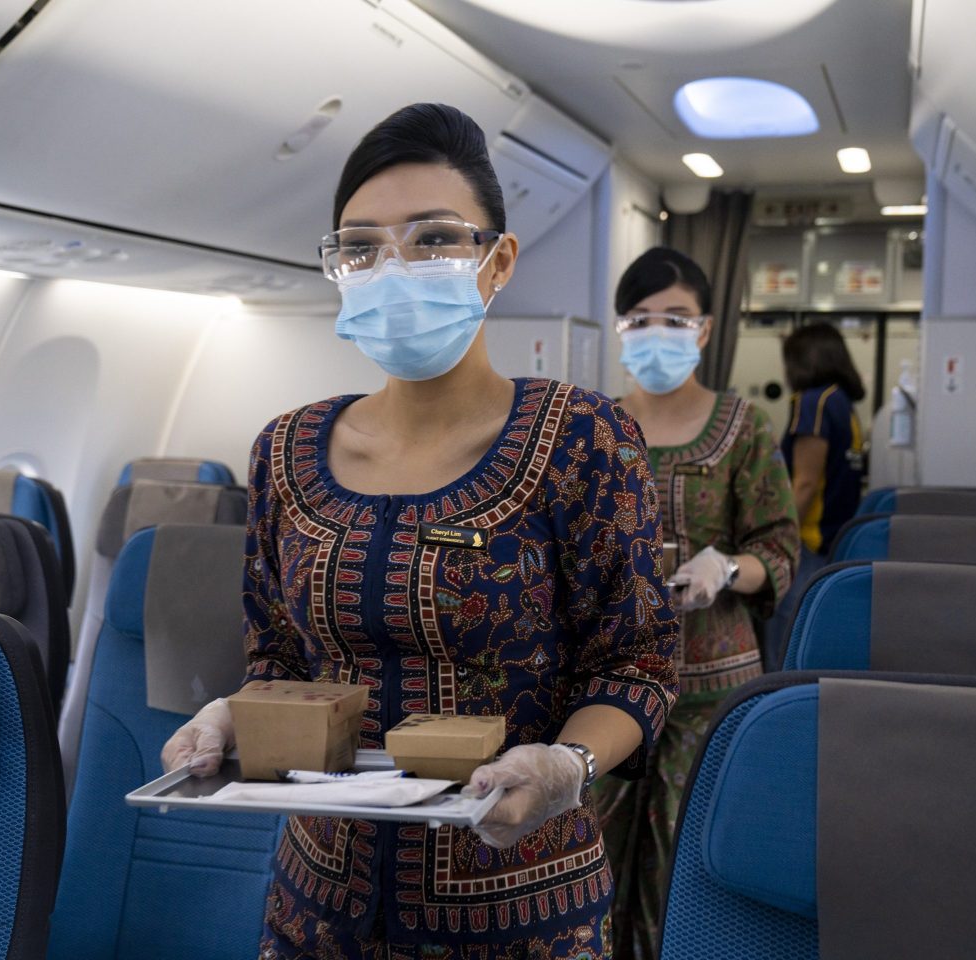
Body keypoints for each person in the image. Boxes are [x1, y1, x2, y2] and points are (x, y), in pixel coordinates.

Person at [162, 103, 679, 959]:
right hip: (316, 905)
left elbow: (640, 665)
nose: (394, 267)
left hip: (521, 911)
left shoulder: (583, 438)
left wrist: (567, 768)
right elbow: (278, 664)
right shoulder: (285, 450)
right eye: (361, 247)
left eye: (434, 239)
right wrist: (227, 717)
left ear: (497, 261)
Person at [592, 246, 800, 960]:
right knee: (590, 858)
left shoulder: (744, 428)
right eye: (641, 319)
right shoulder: (590, 429)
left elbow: (781, 550)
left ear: (704, 331)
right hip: (607, 680)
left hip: (711, 687)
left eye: (675, 319)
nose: (658, 332)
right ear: (620, 329)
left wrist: (727, 568)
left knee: (686, 866)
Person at [764, 322, 867, 664]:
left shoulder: (814, 402)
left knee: (784, 646)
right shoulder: (842, 402)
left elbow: (806, 483)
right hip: (834, 541)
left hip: (807, 542)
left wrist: (774, 534)